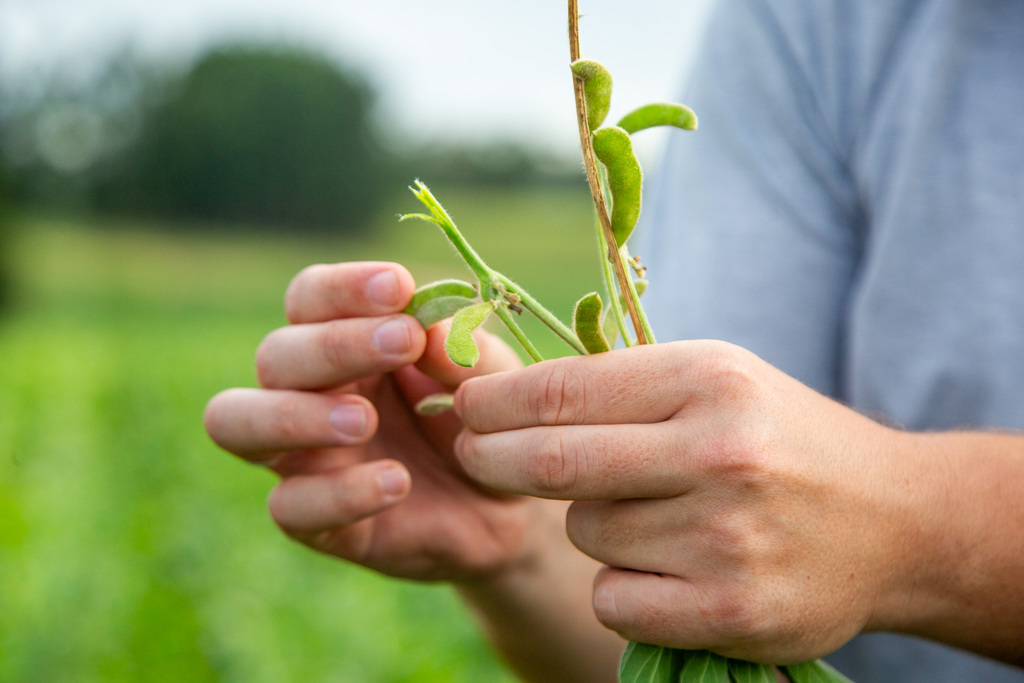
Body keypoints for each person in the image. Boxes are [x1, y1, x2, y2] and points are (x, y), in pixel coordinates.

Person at [204, 0, 1024, 680]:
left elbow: (814, 520)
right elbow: (728, 561)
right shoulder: (808, 20)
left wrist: (912, 531)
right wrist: (523, 542)